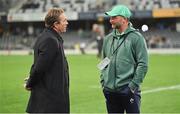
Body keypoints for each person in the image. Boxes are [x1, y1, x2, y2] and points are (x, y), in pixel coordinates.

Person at [99, 5, 148, 113]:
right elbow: (104, 62)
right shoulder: (107, 39)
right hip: (110, 91)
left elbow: (143, 64)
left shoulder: (136, 38)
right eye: (110, 17)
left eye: (114, 17)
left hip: (128, 90)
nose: (111, 20)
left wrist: (132, 86)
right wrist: (104, 83)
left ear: (125, 19)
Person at [24, 8, 70, 113]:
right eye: (64, 20)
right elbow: (39, 68)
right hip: (49, 102)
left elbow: (40, 66)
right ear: (55, 24)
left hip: (48, 99)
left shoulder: (48, 37)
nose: (67, 23)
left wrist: (31, 79)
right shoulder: (51, 40)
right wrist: (30, 83)